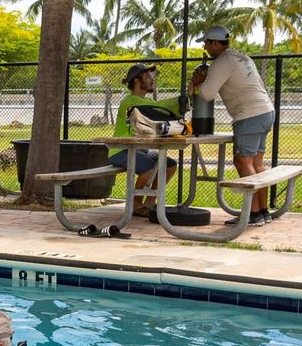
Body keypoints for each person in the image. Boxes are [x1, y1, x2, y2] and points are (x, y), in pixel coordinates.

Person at [189, 26, 277, 227]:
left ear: (214, 43)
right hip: (265, 110)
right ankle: (263, 211)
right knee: (257, 164)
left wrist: (200, 82)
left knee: (242, 162)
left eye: (206, 43)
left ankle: (253, 214)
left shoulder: (222, 61)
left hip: (249, 114)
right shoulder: (241, 56)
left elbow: (207, 94)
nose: (205, 47)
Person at [109, 63, 180, 217]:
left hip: (138, 150)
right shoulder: (131, 101)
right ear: (136, 81)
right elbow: (160, 108)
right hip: (120, 151)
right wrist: (183, 99)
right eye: (147, 76)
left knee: (170, 165)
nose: (151, 79)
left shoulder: (144, 102)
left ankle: (149, 203)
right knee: (148, 168)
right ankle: (135, 204)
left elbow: (160, 110)